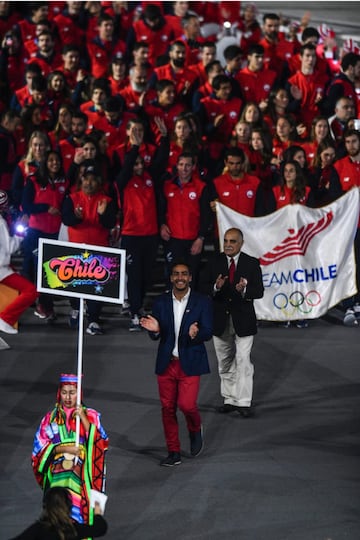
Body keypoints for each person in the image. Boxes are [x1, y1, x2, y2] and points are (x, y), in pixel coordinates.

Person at [140, 261, 213, 466]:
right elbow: (157, 333)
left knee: (187, 405)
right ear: (171, 278)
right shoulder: (161, 302)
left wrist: (196, 334)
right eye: (176, 274)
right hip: (167, 363)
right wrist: (154, 330)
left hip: (190, 362)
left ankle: (194, 428)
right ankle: (173, 451)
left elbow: (208, 331)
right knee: (167, 408)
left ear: (190, 277)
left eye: (184, 274)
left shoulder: (202, 301)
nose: (180, 277)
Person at [201, 228, 264, 417]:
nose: (228, 244)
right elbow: (201, 287)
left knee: (243, 361)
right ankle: (229, 398)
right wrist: (215, 287)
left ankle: (243, 402)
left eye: (233, 241)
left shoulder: (251, 263)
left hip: (243, 320)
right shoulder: (214, 262)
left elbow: (259, 291)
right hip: (220, 320)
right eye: (226, 240)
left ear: (241, 243)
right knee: (225, 362)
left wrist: (244, 291)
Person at [32, 373, 109, 525]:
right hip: (57, 477)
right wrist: (62, 448)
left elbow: (102, 443)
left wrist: (84, 420)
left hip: (83, 477)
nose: (68, 397)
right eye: (64, 392)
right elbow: (38, 450)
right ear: (59, 393)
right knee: (58, 515)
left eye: (72, 393)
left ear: (79, 394)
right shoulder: (50, 419)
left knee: (80, 517)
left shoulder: (91, 415)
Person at [0, 189, 38, 335]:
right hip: (1, 269)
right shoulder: (1, 222)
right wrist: (21, 233)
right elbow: (10, 248)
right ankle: (5, 318)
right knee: (31, 291)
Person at [10, 486, 107, 539]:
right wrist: (97, 512)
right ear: (68, 506)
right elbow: (100, 528)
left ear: (46, 506)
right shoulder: (73, 530)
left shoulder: (38, 529)